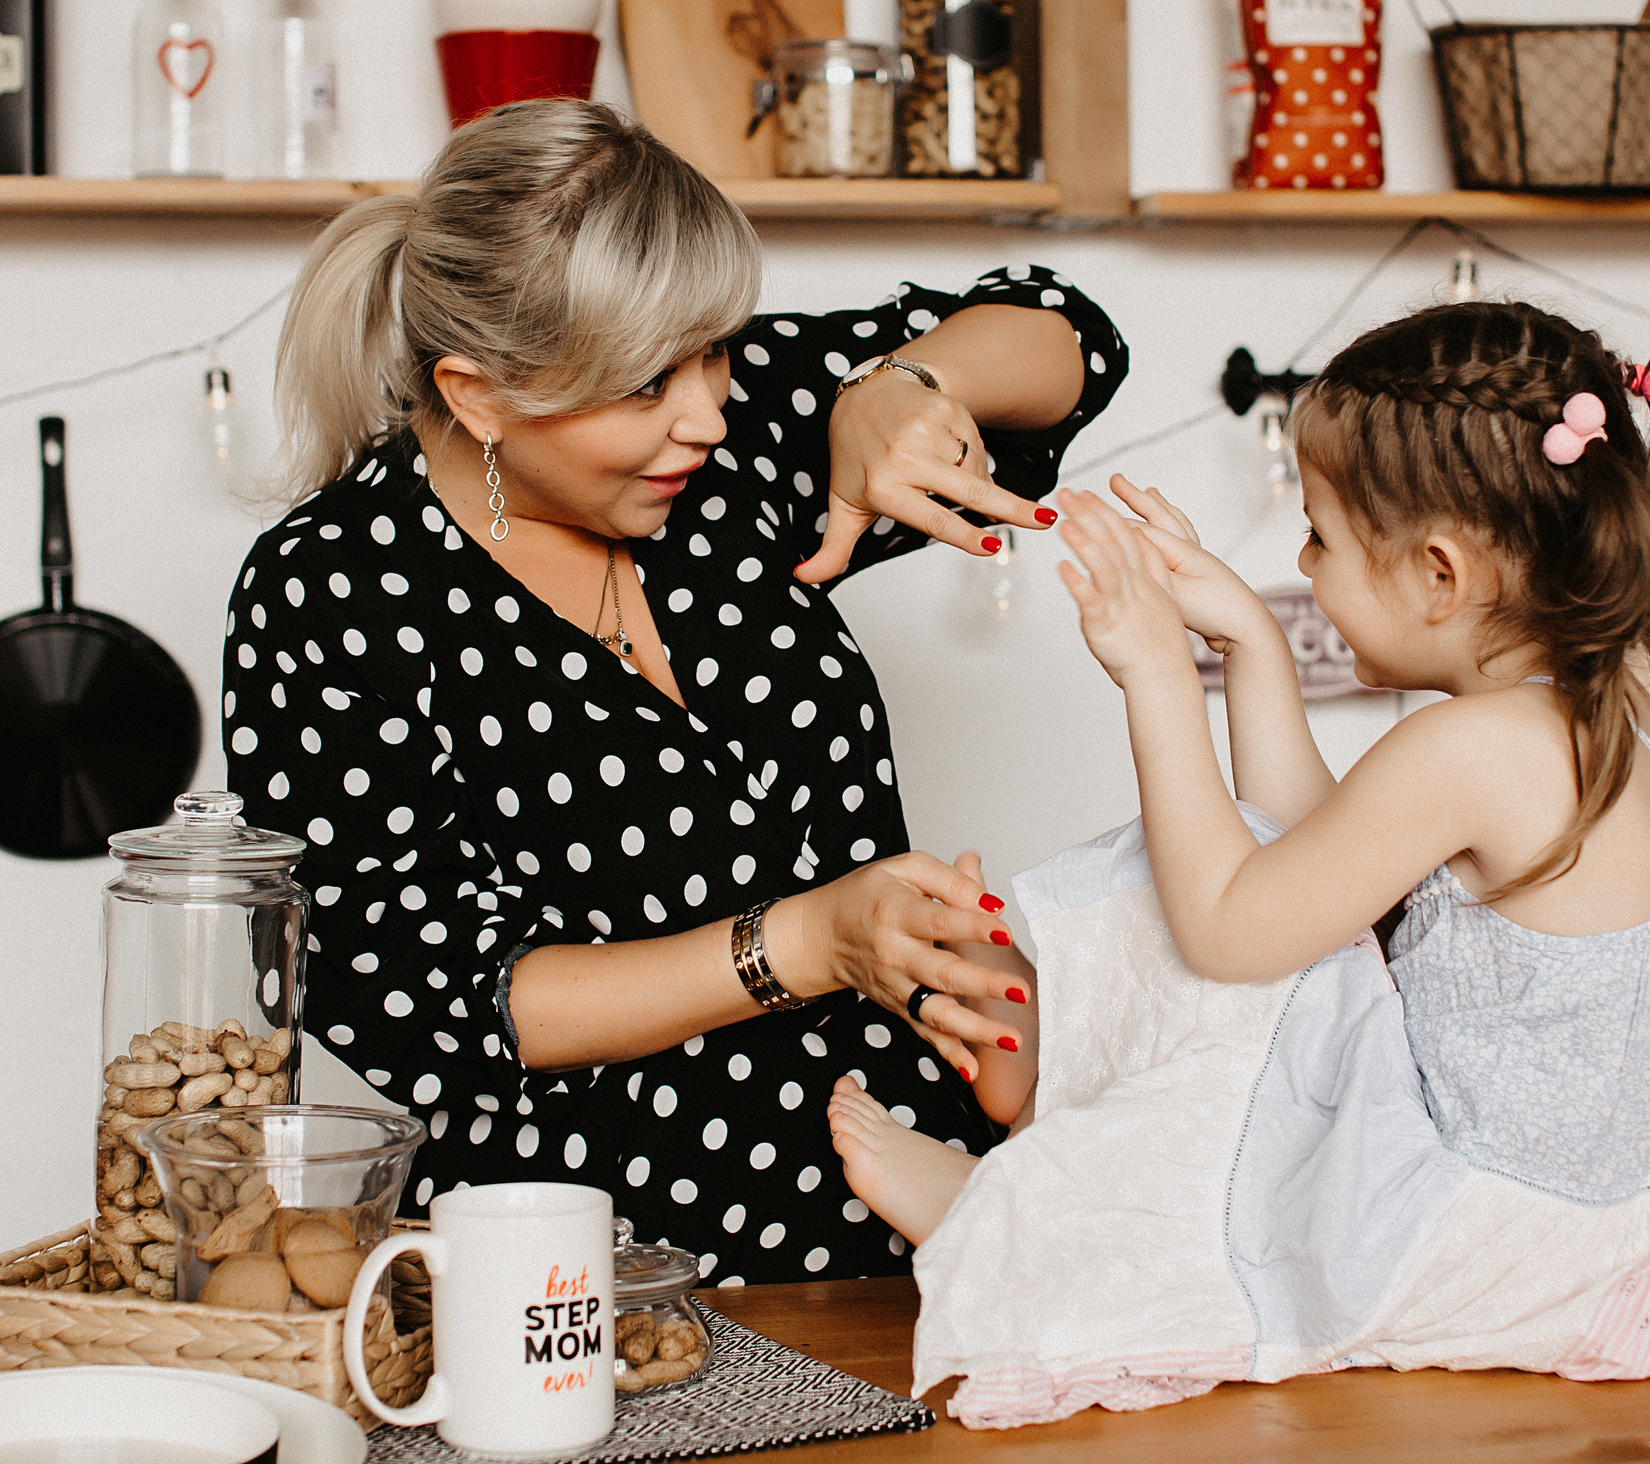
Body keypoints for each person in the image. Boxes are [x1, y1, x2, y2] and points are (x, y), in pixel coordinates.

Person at [222, 98, 1128, 1285]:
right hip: (595, 1263)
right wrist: (806, 940)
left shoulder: (722, 443)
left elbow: (1071, 339)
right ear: (481, 394)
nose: (705, 411)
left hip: (920, 1210)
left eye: (718, 348)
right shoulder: (333, 587)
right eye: (646, 384)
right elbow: (427, 995)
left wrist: (895, 385)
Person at [828, 302, 1650, 1424]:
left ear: (1437, 573)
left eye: (1320, 534)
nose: (1300, 559)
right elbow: (1328, 873)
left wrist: (1157, 682)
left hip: (1512, 1251)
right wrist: (1249, 643)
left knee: (1201, 904)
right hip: (1646, 1253)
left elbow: (1237, 929)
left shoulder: (1474, 747)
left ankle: (1024, 1218)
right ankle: (1042, 1130)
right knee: (1259, 886)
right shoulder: (1591, 708)